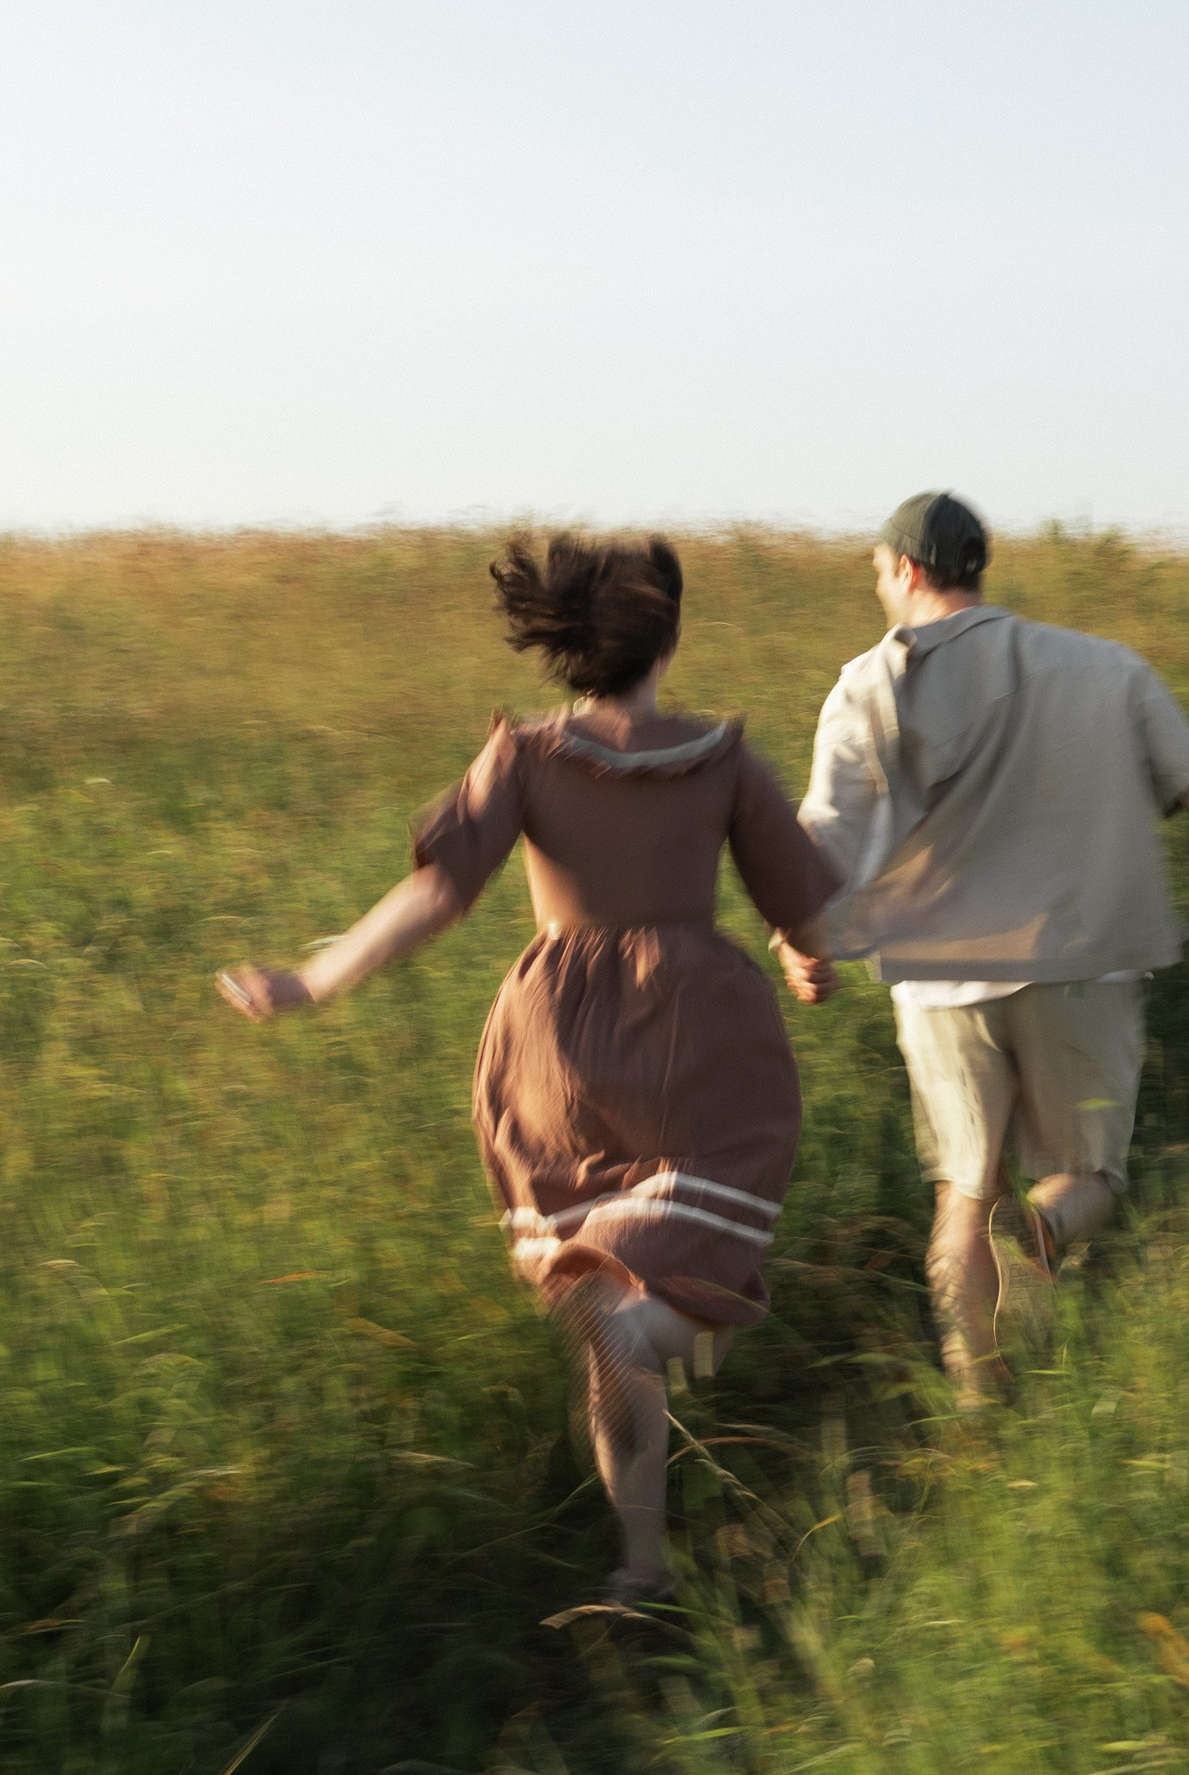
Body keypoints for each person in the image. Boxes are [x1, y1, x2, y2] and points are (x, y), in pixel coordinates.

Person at [219, 533, 837, 1606]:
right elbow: (811, 910)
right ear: (669, 634)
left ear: (567, 646)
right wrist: (813, 957)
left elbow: (439, 893)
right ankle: (656, 1326)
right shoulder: (723, 758)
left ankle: (639, 1562)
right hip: (702, 1034)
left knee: (598, 1294)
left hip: (559, 1044)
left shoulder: (526, 754)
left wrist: (317, 978)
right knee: (695, 1246)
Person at [780, 491, 1189, 1400]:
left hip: (937, 980)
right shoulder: (1107, 669)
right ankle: (1046, 1234)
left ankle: (977, 1401)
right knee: (1086, 1177)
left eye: (878, 572)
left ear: (907, 570)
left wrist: (797, 935)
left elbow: (824, 832)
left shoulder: (869, 682)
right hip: (1084, 962)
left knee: (964, 1188)